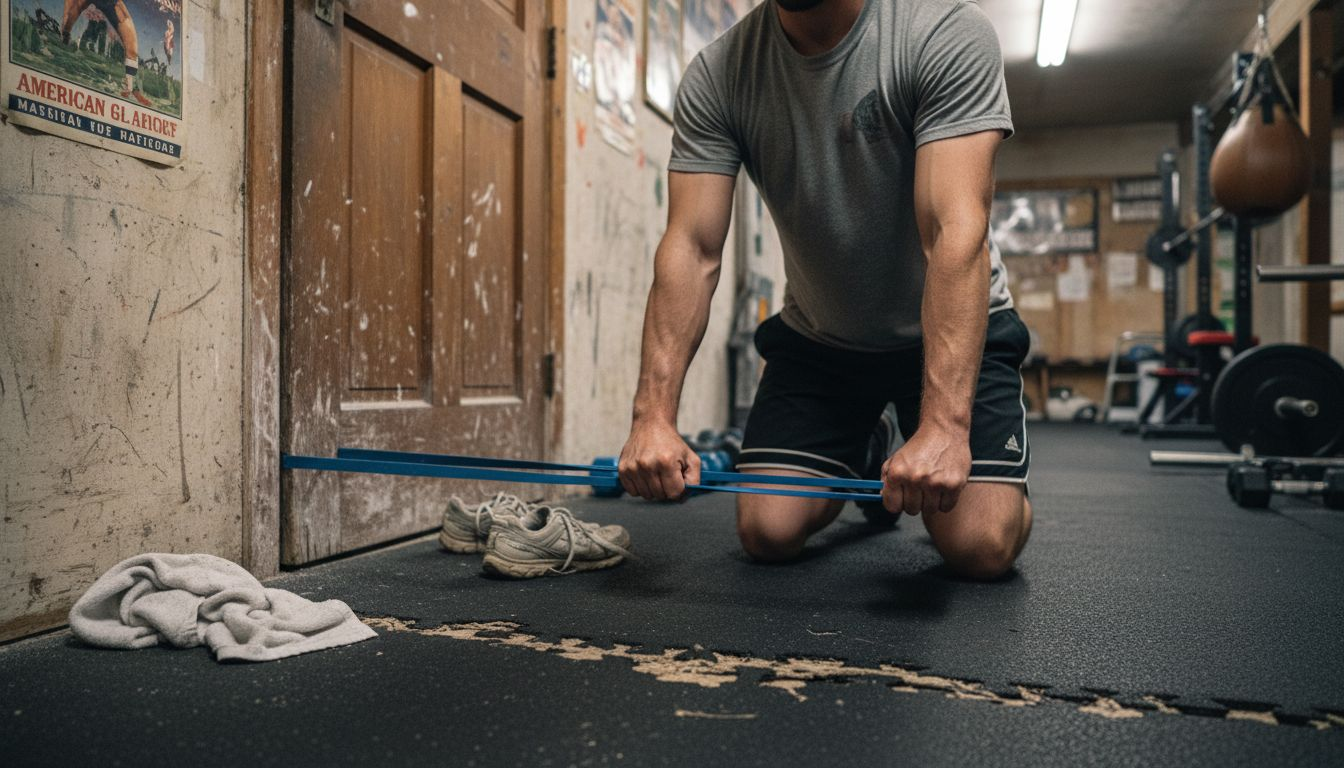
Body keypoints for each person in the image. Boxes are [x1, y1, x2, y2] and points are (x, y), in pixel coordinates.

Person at [618, 0, 1033, 580]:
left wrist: (944, 427)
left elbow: (954, 232)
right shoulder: (719, 74)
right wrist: (652, 417)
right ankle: (868, 445)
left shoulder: (943, 31)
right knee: (767, 532)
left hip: (953, 335)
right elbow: (691, 246)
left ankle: (936, 440)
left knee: (979, 546)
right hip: (822, 339)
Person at [62, 0, 151, 107]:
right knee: (68, 21)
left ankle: (131, 88)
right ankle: (64, 38)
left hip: (110, 3)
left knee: (132, 47)